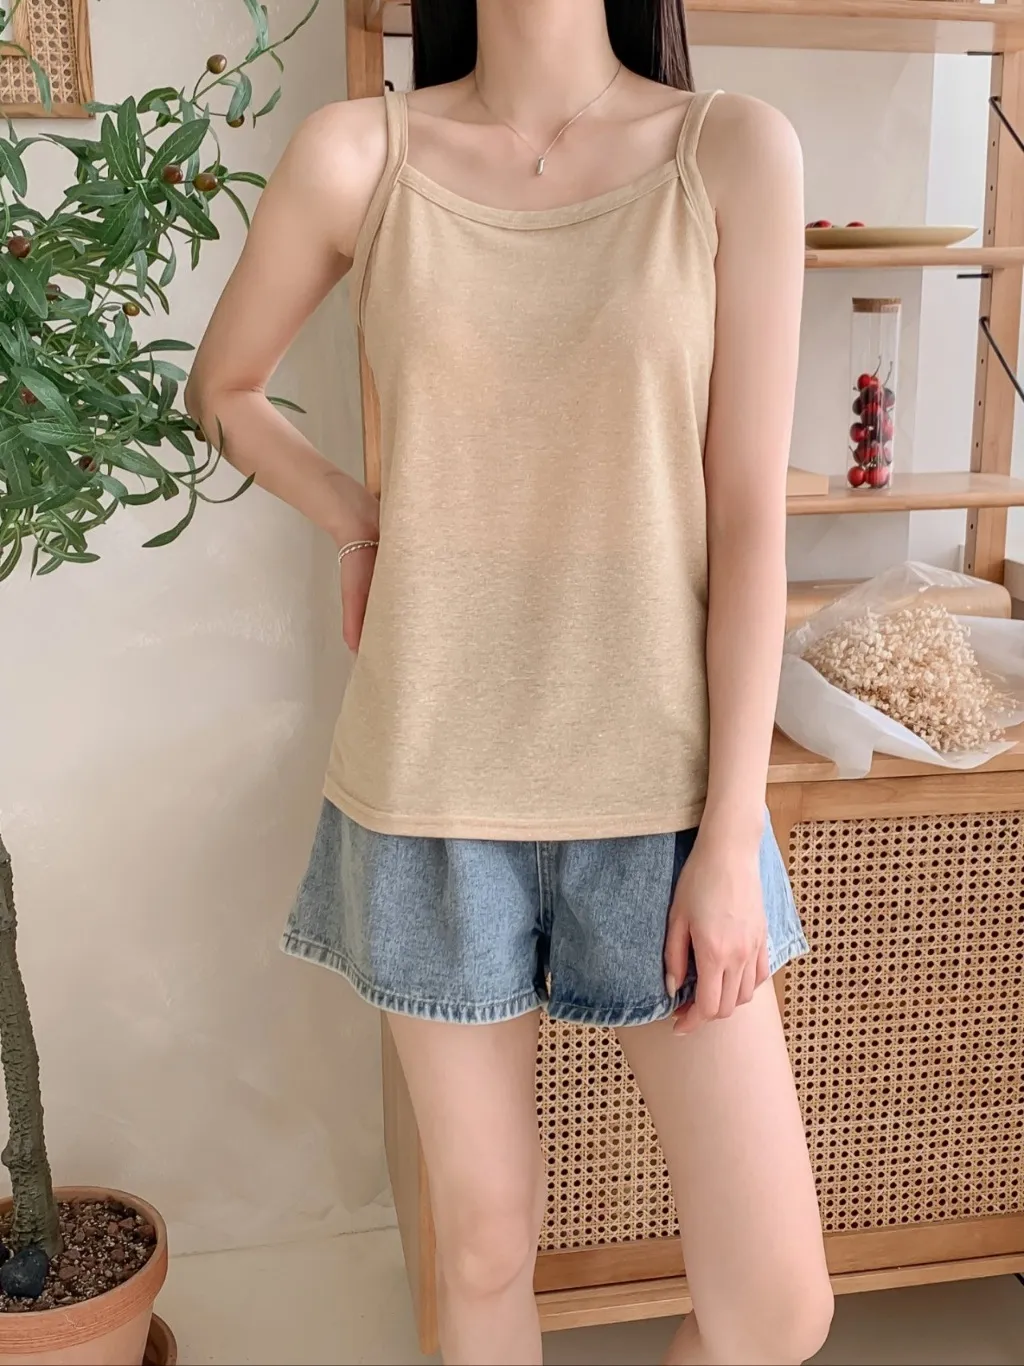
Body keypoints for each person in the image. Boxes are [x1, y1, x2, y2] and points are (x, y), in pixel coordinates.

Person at [186, 0, 833, 1361]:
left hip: (662, 798)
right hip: (432, 790)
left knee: (776, 1307)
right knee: (481, 1248)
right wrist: (359, 519)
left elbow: (747, 524)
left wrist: (730, 836)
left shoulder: (732, 153)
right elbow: (225, 388)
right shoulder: (360, 154)